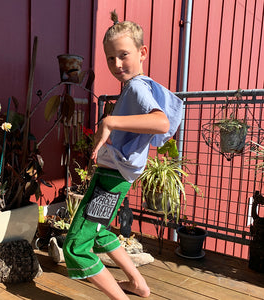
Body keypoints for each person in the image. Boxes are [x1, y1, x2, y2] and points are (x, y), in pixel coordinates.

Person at [63, 10, 183, 299]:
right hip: (114, 175)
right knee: (99, 231)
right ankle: (138, 284)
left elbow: (161, 122)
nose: (117, 64)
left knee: (76, 247)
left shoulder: (138, 87)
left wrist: (110, 121)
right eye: (110, 58)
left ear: (142, 52)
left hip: (111, 177)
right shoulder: (135, 86)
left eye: (124, 55)